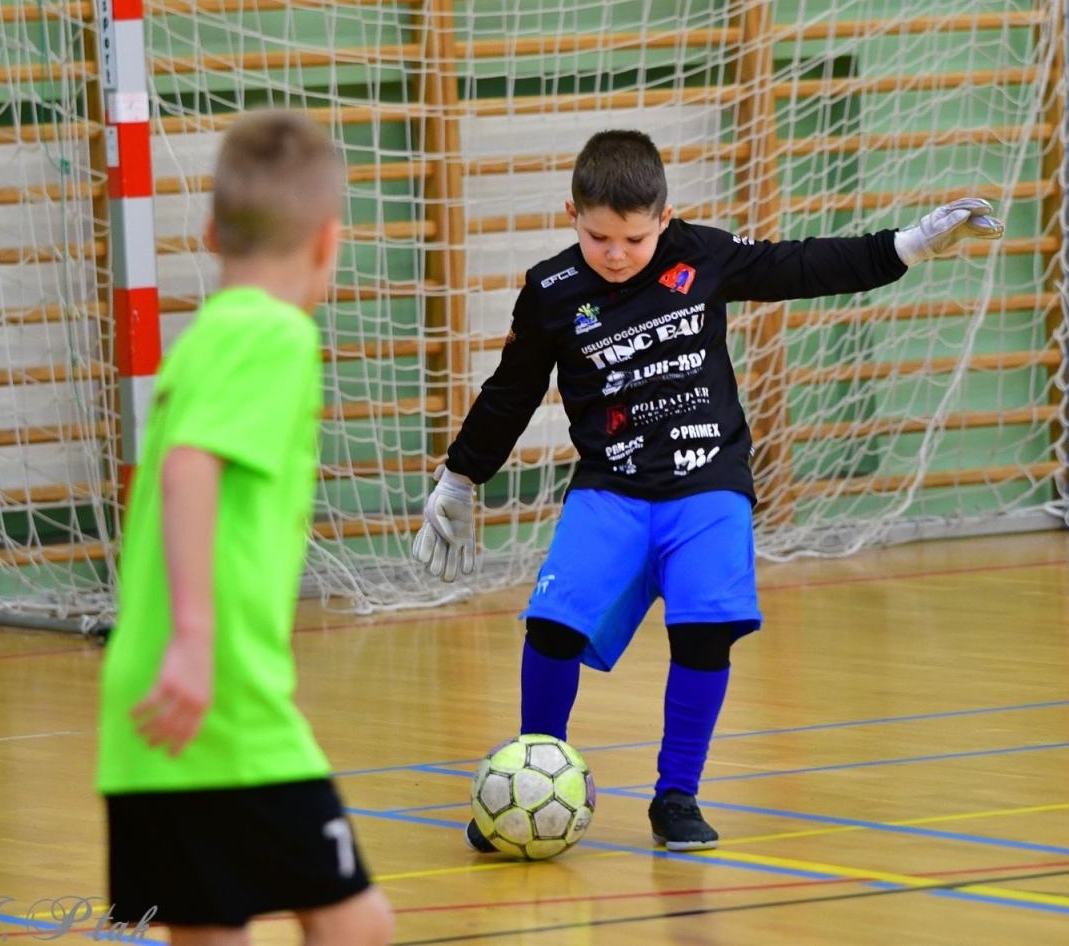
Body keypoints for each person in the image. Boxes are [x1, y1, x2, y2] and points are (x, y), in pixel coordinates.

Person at [414, 129, 1003, 852]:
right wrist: (460, 477)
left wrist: (906, 245)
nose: (618, 254)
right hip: (611, 489)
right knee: (552, 626)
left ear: (664, 218)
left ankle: (677, 796)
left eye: (634, 238)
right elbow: (509, 394)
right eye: (599, 238)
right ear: (572, 214)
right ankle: (534, 778)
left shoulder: (701, 254)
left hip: (709, 487)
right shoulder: (552, 293)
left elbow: (800, 264)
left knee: (705, 629)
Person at [96, 110, 394, 944]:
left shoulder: (203, 338)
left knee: (208, 931)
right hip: (221, 692)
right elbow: (192, 464)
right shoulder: (274, 334)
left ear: (209, 232)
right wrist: (196, 640)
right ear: (328, 242)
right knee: (357, 923)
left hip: (145, 700)